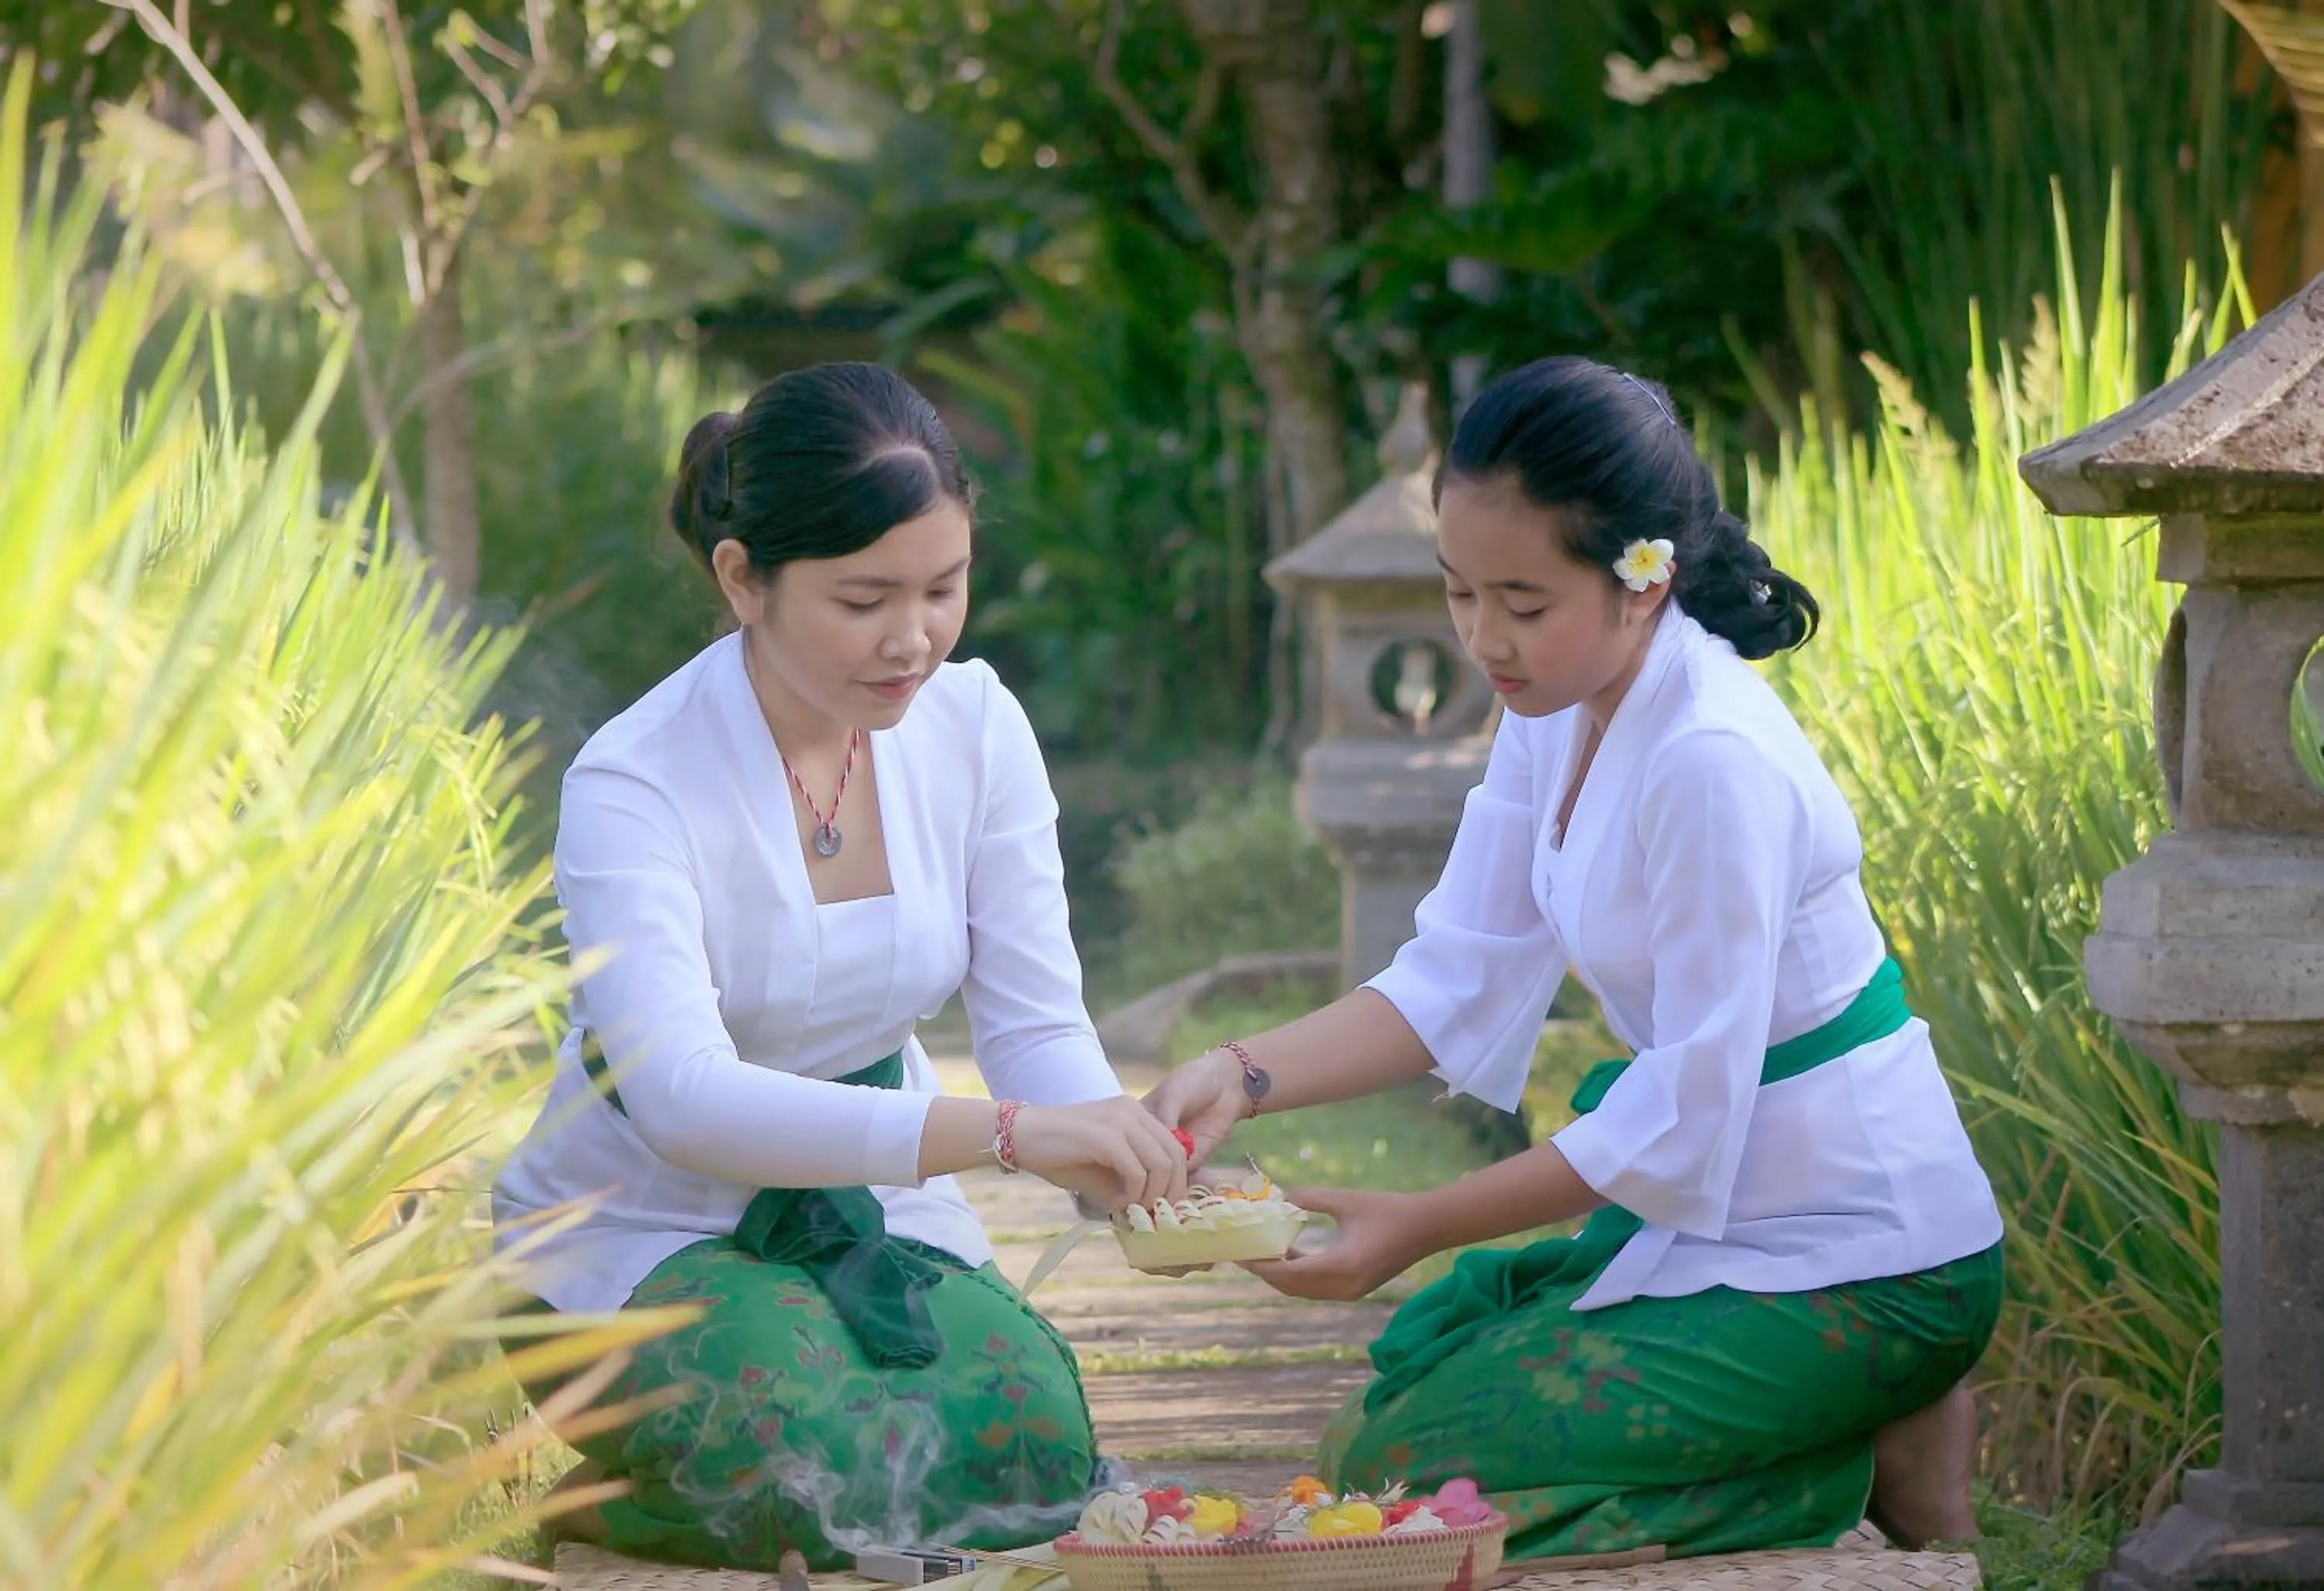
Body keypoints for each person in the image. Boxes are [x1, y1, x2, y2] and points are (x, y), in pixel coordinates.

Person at [1145, 356, 2006, 1567]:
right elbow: (1457, 970)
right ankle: (1847, 1436)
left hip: (1869, 1254)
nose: (1485, 639)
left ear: (1643, 579)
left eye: (1524, 601)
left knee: (1406, 1477)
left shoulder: (1712, 758)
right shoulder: (1553, 709)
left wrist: (1425, 1221)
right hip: (1719, 1227)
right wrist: (1240, 1070)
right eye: (1459, 594)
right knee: (1393, 1426)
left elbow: (1680, 1119)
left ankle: (1851, 1458)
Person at [491, 362, 1188, 1573]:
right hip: (639, 1225)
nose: (911, 637)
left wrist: (1123, 1151)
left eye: (944, 586)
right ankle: (587, 1504)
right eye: (863, 598)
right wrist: (1012, 1135)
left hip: (877, 1202)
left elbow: (1034, 1022)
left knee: (1030, 1437)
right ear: (742, 579)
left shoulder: (975, 728)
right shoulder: (635, 780)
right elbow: (685, 1101)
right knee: (798, 1445)